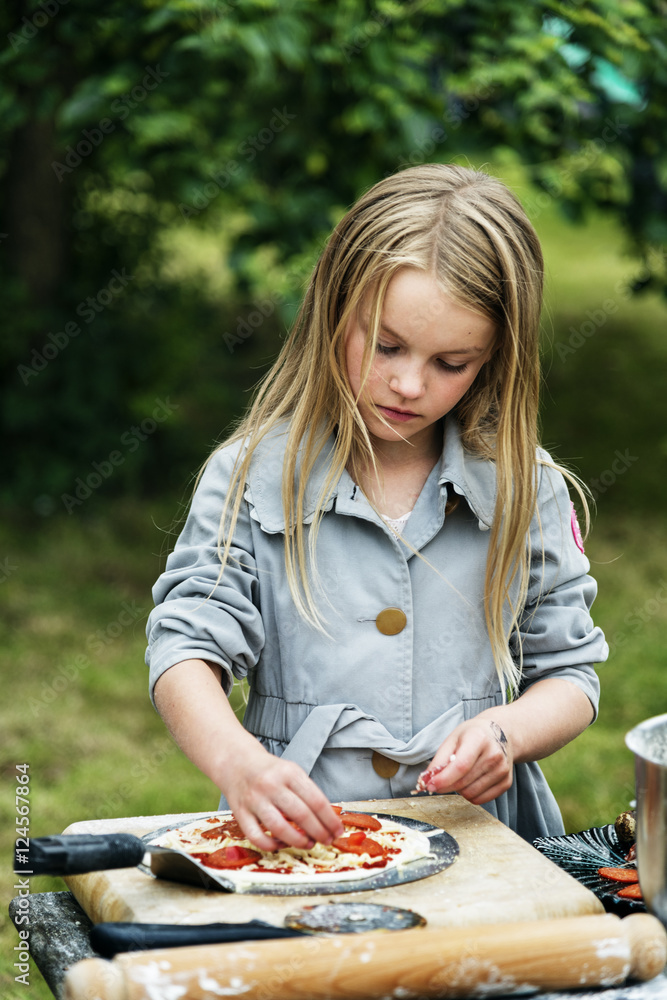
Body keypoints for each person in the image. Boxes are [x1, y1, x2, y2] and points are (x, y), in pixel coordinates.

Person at [146, 163, 608, 852]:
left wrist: (502, 735)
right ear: (334, 308)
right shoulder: (248, 477)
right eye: (385, 344)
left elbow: (569, 674)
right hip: (306, 846)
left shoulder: (523, 487)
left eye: (450, 363)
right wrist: (236, 762)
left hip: (484, 846)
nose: (407, 383)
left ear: (493, 360)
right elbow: (185, 647)